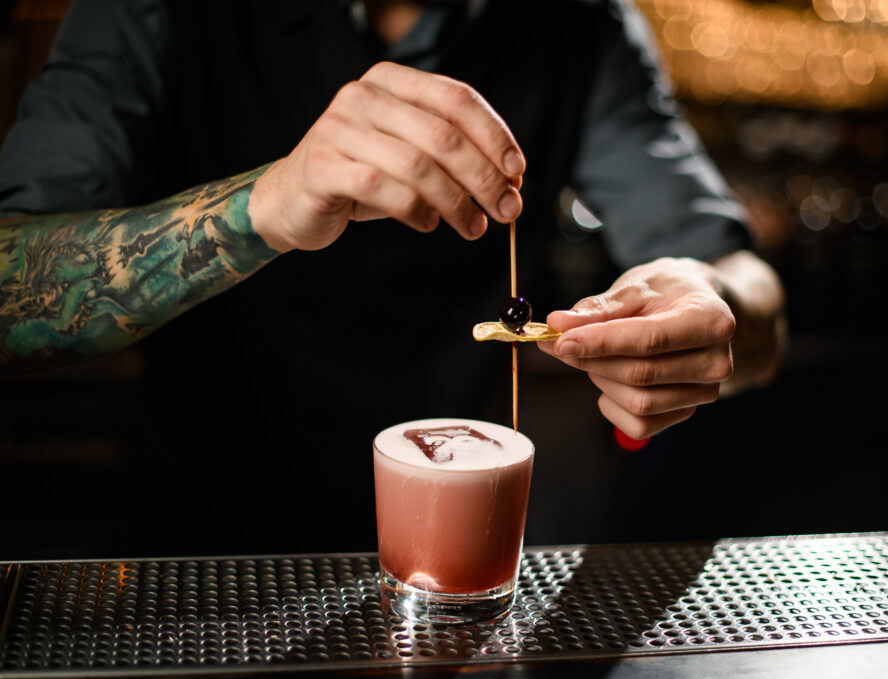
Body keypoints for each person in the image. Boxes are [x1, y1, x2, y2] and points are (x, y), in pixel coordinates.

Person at [0, 0, 785, 553]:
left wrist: (708, 304)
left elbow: (749, 294)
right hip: (201, 558)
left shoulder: (582, 23)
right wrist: (265, 204)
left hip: (458, 568)